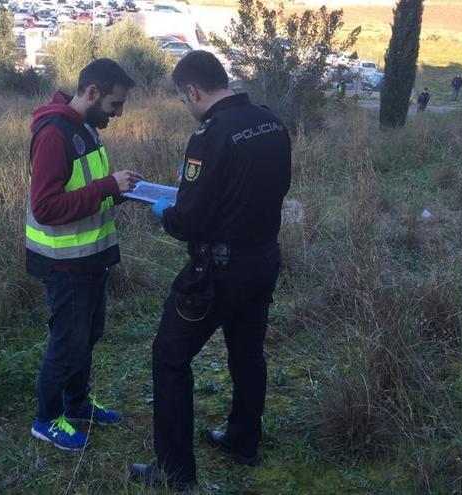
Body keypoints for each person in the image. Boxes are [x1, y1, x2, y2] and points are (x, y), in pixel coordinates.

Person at [129, 51, 291, 491]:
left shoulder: (209, 136)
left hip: (217, 272)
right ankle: (243, 440)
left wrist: (166, 212)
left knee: (169, 357)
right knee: (247, 352)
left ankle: (175, 472)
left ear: (193, 91)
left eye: (185, 101)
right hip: (263, 260)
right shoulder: (271, 121)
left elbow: (191, 222)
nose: (188, 107)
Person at [26, 58, 144, 451]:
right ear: (91, 93)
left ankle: (76, 405)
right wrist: (107, 186)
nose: (119, 113)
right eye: (114, 104)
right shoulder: (54, 134)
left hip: (92, 259)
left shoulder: (87, 128)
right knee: (67, 342)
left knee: (87, 337)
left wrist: (119, 191)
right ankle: (46, 419)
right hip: (65, 264)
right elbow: (46, 207)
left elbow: (86, 192)